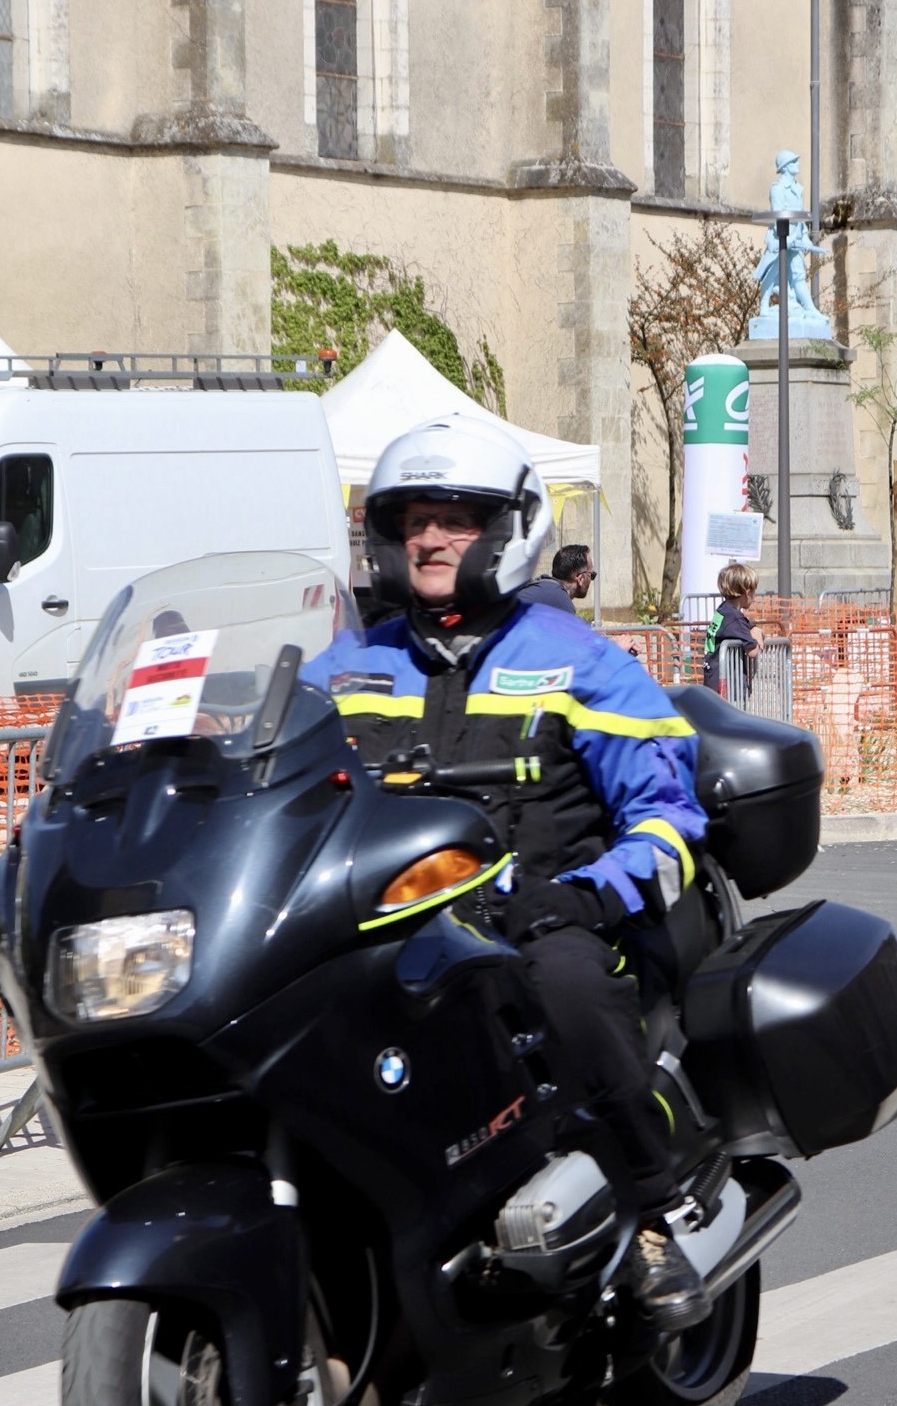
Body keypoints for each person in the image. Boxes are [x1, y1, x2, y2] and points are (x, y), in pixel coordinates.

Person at [306, 418, 711, 1329]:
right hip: (385, 923)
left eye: (455, 518)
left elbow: (668, 819)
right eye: (411, 520)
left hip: (537, 918)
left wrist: (586, 895)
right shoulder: (347, 666)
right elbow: (263, 768)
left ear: (507, 530)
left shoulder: (580, 661)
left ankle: (652, 1216)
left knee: (567, 988)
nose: (429, 538)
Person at [703, 562, 759, 696]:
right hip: (727, 687)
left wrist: (754, 628)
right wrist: (758, 637)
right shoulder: (734, 617)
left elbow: (744, 625)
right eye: (754, 592)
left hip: (714, 679)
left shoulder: (724, 610)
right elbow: (752, 651)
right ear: (747, 593)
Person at [520, 542, 594, 617]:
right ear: (580, 578)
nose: (591, 579)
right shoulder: (561, 603)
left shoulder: (542, 587)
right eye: (591, 575)